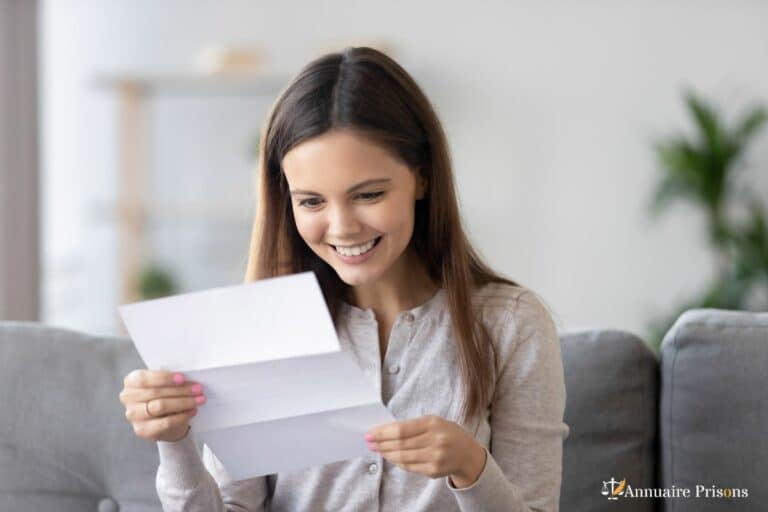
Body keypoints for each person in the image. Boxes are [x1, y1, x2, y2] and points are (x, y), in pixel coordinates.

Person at [119, 46, 569, 512]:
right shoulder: (263, 327)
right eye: (311, 202)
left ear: (422, 177)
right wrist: (174, 441)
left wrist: (471, 467)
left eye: (368, 194)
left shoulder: (511, 325)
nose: (342, 227)